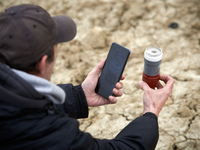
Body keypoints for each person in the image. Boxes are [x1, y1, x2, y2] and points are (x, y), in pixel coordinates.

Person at [0, 4, 174, 150]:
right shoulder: (52, 134)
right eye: (55, 44)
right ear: (43, 63)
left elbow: (17, 105)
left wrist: (78, 95)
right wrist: (150, 112)